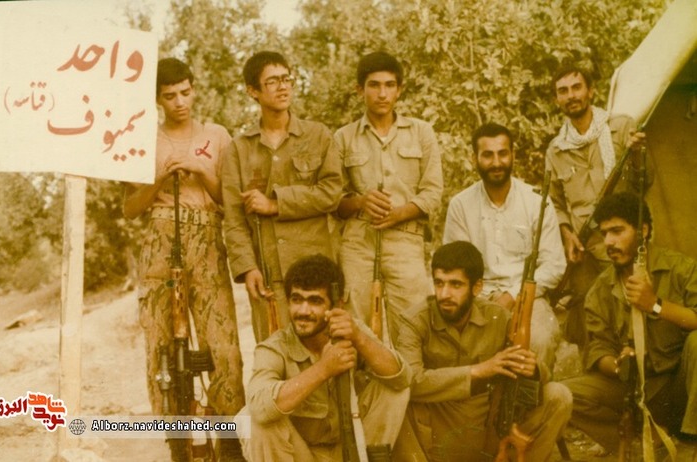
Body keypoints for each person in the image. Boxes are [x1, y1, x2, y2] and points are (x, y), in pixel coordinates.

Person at [123, 58, 245, 461]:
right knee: (160, 345)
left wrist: (200, 170)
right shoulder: (143, 138)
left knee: (222, 343)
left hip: (206, 237)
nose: (180, 102)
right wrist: (160, 178)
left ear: (194, 89)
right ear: (158, 99)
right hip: (161, 238)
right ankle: (177, 439)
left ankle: (228, 439)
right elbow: (130, 208)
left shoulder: (217, 135)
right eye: (170, 95)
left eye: (185, 92)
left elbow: (231, 201)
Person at [393, 241, 572, 462]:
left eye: (456, 285)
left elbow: (539, 375)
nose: (445, 294)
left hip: (488, 430)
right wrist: (479, 370)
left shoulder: (498, 317)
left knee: (558, 396)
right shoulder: (414, 321)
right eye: (439, 283)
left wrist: (534, 369)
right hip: (437, 436)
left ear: (477, 287)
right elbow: (411, 381)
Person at [562, 192, 697, 453]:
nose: (609, 242)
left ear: (643, 230)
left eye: (617, 231)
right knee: (564, 394)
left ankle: (689, 443)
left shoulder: (680, 269)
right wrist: (618, 364)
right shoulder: (600, 290)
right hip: (633, 390)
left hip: (681, 389)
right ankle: (636, 445)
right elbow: (598, 348)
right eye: (604, 234)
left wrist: (655, 305)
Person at [221, 51, 342, 342]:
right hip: (269, 273)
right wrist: (248, 268)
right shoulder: (239, 149)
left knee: (326, 348)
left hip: (315, 269)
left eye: (287, 79)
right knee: (275, 352)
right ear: (253, 91)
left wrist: (276, 205)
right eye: (273, 81)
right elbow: (234, 219)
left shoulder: (318, 136)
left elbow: (332, 193)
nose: (283, 87)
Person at [244, 254, 411, 461]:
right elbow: (259, 407)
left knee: (393, 388)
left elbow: (402, 378)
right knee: (253, 419)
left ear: (337, 305)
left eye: (315, 301)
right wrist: (324, 369)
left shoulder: (351, 330)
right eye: (297, 300)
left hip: (351, 449)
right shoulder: (275, 347)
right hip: (301, 455)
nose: (303, 311)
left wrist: (360, 338)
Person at [335, 51, 443, 341]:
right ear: (360, 90)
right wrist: (361, 202)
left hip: (405, 242)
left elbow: (433, 192)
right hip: (358, 243)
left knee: (412, 327)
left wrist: (399, 214)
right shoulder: (343, 138)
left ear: (399, 89)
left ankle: (407, 373)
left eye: (389, 85)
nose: (382, 94)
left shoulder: (422, 132)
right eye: (374, 85)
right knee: (357, 330)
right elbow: (333, 202)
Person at [443, 122, 565, 370]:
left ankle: (535, 394)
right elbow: (456, 266)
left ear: (513, 155)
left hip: (528, 296)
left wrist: (512, 295)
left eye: (502, 153)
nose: (496, 162)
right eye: (488, 155)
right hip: (476, 298)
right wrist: (485, 301)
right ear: (474, 158)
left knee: (540, 340)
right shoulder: (460, 205)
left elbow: (554, 264)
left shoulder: (536, 201)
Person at [546, 63, 649, 347]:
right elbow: (555, 203)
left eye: (576, 87)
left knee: (631, 313)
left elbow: (645, 183)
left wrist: (636, 154)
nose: (571, 95)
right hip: (584, 251)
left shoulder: (621, 128)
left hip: (625, 242)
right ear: (557, 99)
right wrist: (567, 234)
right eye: (563, 91)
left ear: (591, 91)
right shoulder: (556, 150)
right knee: (589, 324)